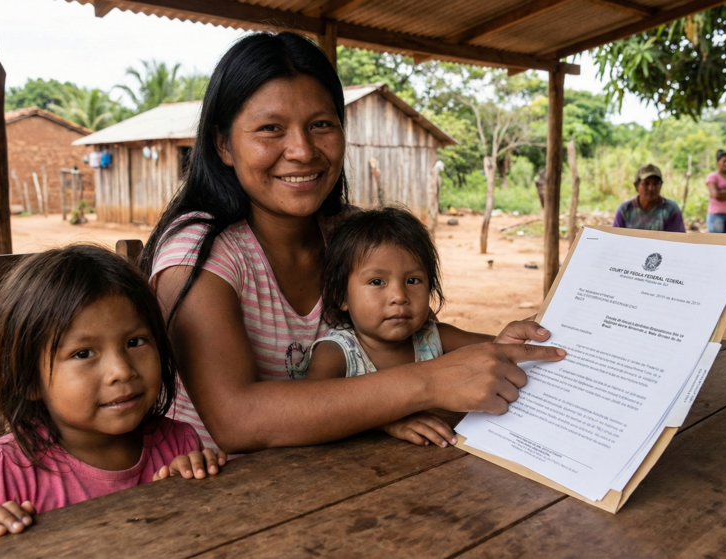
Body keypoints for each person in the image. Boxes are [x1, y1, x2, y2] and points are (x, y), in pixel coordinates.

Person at [142, 31, 566, 455]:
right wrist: (430, 382)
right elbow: (238, 420)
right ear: (223, 145)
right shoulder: (199, 251)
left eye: (321, 125)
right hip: (224, 495)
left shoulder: (352, 234)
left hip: (344, 473)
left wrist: (497, 348)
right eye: (271, 129)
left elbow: (415, 338)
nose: (302, 150)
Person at [0, 245, 225, 538]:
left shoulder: (178, 444)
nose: (122, 371)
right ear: (28, 380)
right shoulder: (0, 474)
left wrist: (199, 483)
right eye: (84, 353)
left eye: (135, 342)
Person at [304, 207, 500, 448]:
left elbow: (500, 349)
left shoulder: (434, 337)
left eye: (412, 280)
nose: (399, 296)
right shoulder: (338, 352)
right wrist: (386, 421)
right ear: (341, 296)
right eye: (377, 282)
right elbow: (310, 410)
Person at [612, 164, 686, 232]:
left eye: (655, 184)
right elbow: (615, 238)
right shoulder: (625, 209)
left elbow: (677, 241)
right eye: (646, 183)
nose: (651, 188)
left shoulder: (670, 209)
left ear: (661, 185)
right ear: (636, 186)